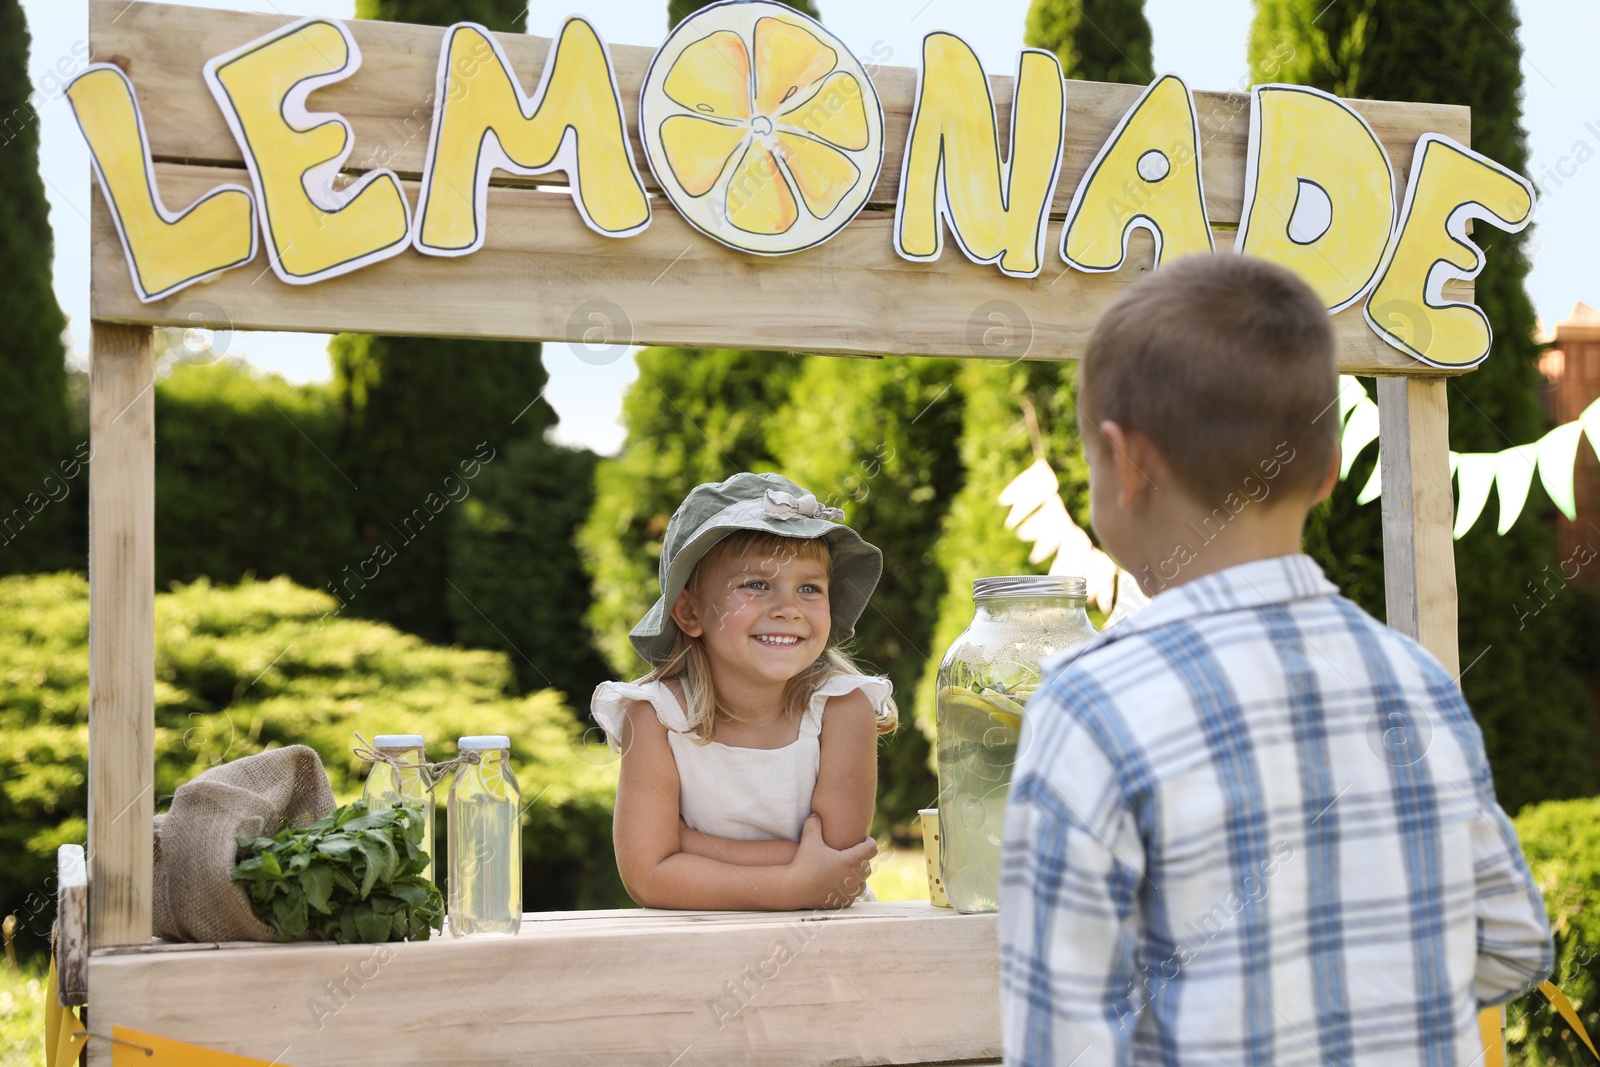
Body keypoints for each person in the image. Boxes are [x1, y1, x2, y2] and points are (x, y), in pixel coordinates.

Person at [998, 254, 1553, 1065]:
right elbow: (1513, 944)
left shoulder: (1090, 705)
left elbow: (1058, 1041)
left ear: (1126, 462)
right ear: (1330, 469)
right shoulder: (1416, 680)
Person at [591, 471, 896, 910]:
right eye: (756, 584)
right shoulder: (655, 716)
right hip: (696, 949)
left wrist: (685, 844)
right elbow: (647, 876)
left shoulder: (842, 708)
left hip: (823, 945)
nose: (789, 609)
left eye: (809, 588)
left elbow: (837, 858)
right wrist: (793, 885)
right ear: (689, 611)